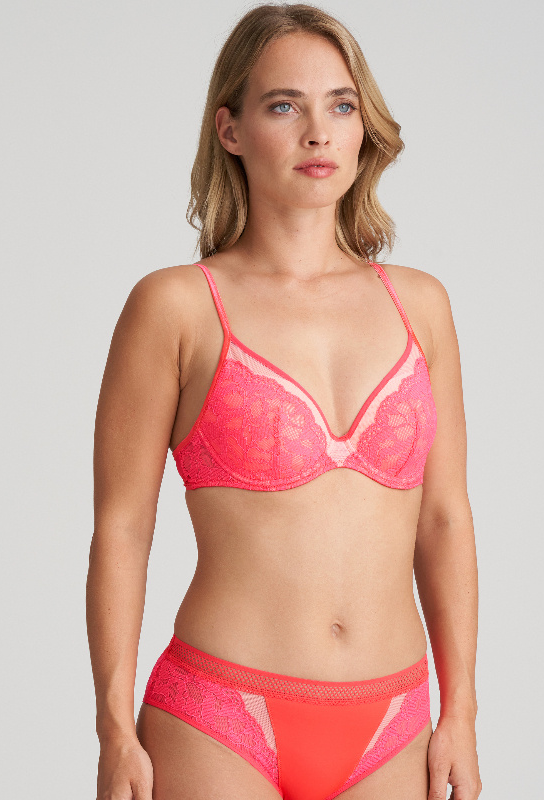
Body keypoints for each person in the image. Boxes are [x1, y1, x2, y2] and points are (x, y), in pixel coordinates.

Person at [86, 4, 480, 799]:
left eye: (341, 105)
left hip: (393, 719)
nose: (318, 133)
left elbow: (444, 518)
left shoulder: (421, 305)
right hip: (220, 714)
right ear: (230, 129)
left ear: (363, 126)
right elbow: (123, 528)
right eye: (283, 106)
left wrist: (461, 709)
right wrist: (114, 729)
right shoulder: (176, 307)